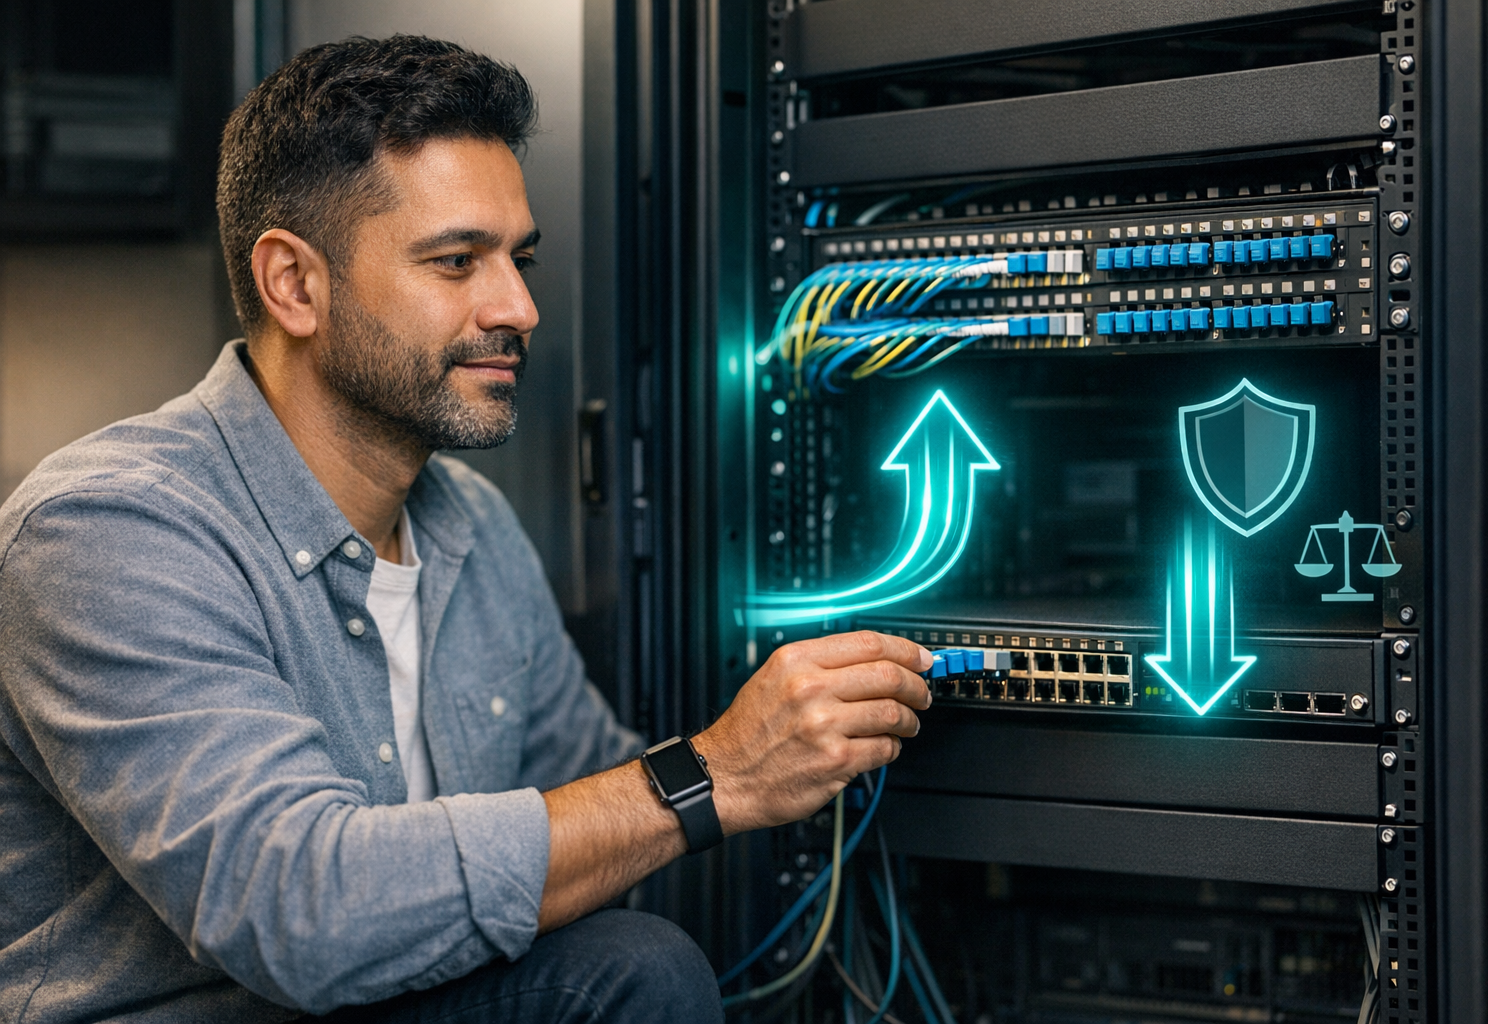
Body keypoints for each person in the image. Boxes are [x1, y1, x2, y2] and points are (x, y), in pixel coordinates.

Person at [0, 34, 932, 1024]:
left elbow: (605, 816)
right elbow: (297, 913)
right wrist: (714, 773)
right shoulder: (110, 532)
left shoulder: (471, 531)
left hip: (387, 1004)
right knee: (636, 969)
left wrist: (806, 751)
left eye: (519, 259)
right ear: (294, 284)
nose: (520, 307)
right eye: (457, 262)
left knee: (629, 955)